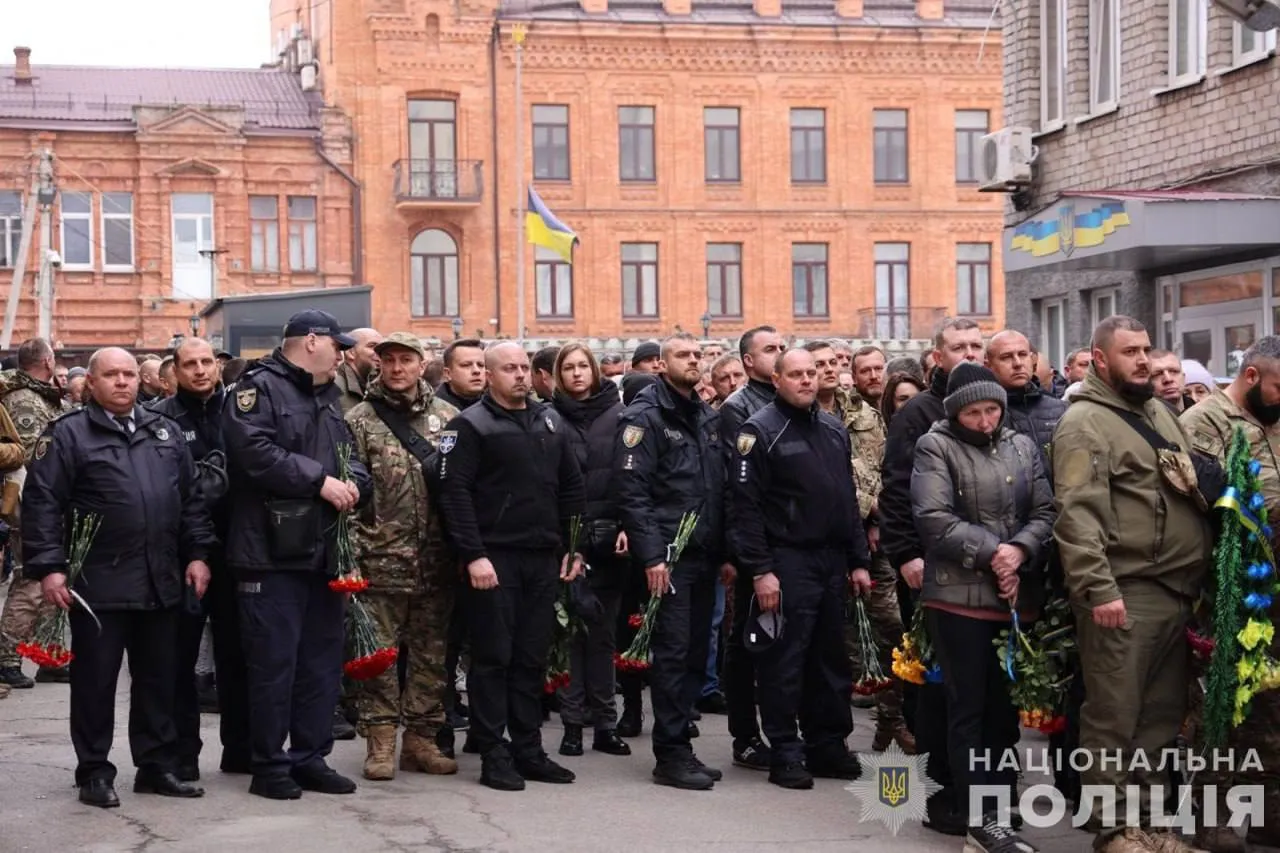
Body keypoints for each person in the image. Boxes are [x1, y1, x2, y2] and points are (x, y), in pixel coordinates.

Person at [23, 347, 215, 807]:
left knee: (158, 680)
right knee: (95, 684)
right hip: (98, 586)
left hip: (160, 579)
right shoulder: (68, 435)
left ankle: (156, 766)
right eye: (112, 375)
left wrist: (198, 554)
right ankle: (94, 771)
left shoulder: (163, 430)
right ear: (92, 382)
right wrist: (50, 568)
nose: (124, 382)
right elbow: (43, 504)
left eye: (130, 374)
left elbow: (190, 500)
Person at [1053, 316, 1213, 853]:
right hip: (1125, 588)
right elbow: (1078, 516)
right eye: (1130, 352)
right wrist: (1100, 590)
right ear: (1100, 360)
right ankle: (1114, 830)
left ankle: (1151, 824)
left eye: (1147, 350)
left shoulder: (1158, 413)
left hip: (1172, 589)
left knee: (1160, 718)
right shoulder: (1085, 423)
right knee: (1114, 717)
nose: (1143, 361)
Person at [223, 309, 373, 800]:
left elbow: (349, 457)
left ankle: (310, 757)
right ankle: (268, 765)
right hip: (269, 554)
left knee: (319, 664)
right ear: (311, 341)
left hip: (322, 551)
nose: (343, 355)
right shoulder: (256, 390)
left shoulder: (329, 399)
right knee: (273, 666)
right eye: (338, 345)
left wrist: (354, 484)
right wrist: (320, 481)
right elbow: (253, 452)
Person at [911, 362, 1054, 853]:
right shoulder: (936, 446)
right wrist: (995, 553)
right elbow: (933, 518)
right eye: (974, 412)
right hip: (957, 598)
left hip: (1016, 597)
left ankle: (998, 806)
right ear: (957, 413)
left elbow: (1044, 510)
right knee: (968, 708)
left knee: (1001, 712)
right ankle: (978, 817)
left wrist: (1022, 550)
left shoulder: (1021, 444)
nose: (986, 420)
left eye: (992, 408)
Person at [436, 342, 585, 791]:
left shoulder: (550, 420)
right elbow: (454, 495)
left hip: (542, 557)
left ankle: (529, 749)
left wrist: (573, 546)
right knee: (493, 658)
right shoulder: (469, 426)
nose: (521, 375)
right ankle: (493, 752)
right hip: (493, 559)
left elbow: (571, 487)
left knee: (530, 657)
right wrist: (474, 554)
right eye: (510, 369)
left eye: (525, 367)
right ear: (489, 373)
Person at [728, 348, 869, 789]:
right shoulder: (759, 431)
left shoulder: (831, 429)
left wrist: (859, 560)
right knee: (784, 660)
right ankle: (786, 751)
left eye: (812, 373)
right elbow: (744, 509)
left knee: (830, 659)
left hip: (830, 561)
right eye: (797, 374)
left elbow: (846, 498)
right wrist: (760, 569)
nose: (808, 381)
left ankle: (827, 745)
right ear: (777, 380)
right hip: (786, 560)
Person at [880, 316, 984, 835]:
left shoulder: (991, 408)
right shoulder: (918, 413)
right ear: (936, 357)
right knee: (934, 680)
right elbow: (897, 492)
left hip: (983, 572)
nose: (968, 352)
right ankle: (937, 790)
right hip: (928, 566)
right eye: (957, 346)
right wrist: (905, 556)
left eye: (975, 344)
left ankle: (977, 788)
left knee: (975, 686)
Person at [613, 333, 727, 790]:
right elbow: (633, 493)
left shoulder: (705, 416)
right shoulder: (645, 417)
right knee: (674, 654)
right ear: (661, 364)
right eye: (683, 355)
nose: (693, 361)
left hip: (705, 555)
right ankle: (670, 753)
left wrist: (726, 553)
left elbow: (716, 490)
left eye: (698, 355)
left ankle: (685, 746)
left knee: (698, 653)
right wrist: (652, 556)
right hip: (669, 558)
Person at [1180, 336, 1280, 852]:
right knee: (1217, 695)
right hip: (1225, 577)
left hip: (1274, 579)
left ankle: (1266, 810)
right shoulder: (1205, 422)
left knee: (1271, 696)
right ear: (1251, 377)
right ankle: (1209, 812)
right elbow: (1206, 497)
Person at [346, 332, 460, 781]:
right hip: (380, 560)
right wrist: (353, 556)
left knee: (432, 656)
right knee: (379, 657)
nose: (397, 369)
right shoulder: (358, 420)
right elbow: (350, 496)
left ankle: (421, 740)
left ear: (422, 363)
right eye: (388, 360)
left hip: (436, 561)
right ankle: (379, 741)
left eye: (406, 360)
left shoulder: (449, 419)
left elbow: (460, 492)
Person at [151, 338, 250, 780]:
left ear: (219, 365)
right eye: (189, 363)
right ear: (173, 371)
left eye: (206, 361)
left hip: (238, 551)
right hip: (183, 555)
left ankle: (242, 750)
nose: (199, 370)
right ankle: (182, 755)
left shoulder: (243, 413)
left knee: (239, 655)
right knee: (179, 659)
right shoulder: (159, 420)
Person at [548, 343, 631, 759]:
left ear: (595, 371)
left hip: (608, 538)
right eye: (569, 367)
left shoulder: (619, 415)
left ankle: (605, 724)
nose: (577, 374)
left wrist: (625, 527)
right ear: (557, 374)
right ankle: (572, 725)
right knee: (569, 637)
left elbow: (630, 479)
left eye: (583, 366)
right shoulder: (548, 416)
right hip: (565, 541)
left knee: (602, 635)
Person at [718, 324, 787, 773]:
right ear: (748, 361)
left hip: (790, 542)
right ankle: (745, 735)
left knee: (785, 641)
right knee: (748, 641)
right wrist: (735, 553)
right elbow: (733, 488)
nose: (779, 353)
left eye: (783, 346)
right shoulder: (736, 409)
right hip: (752, 544)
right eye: (769, 349)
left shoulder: (790, 401)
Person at [0, 338, 71, 690]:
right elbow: (32, 459)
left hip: (49, 501)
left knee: (53, 577)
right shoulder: (25, 401)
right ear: (47, 360)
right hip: (32, 503)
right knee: (30, 578)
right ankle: (7, 657)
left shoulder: (42, 395)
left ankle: (48, 657)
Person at [334, 328, 383, 414]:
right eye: (372, 346)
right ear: (350, 352)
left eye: (381, 348)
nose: (380, 353)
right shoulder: (333, 390)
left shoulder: (381, 388)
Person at [435, 338, 486, 410]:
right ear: (448, 373)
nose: (476, 370)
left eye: (481, 365)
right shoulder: (432, 412)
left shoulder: (498, 407)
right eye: (466, 365)